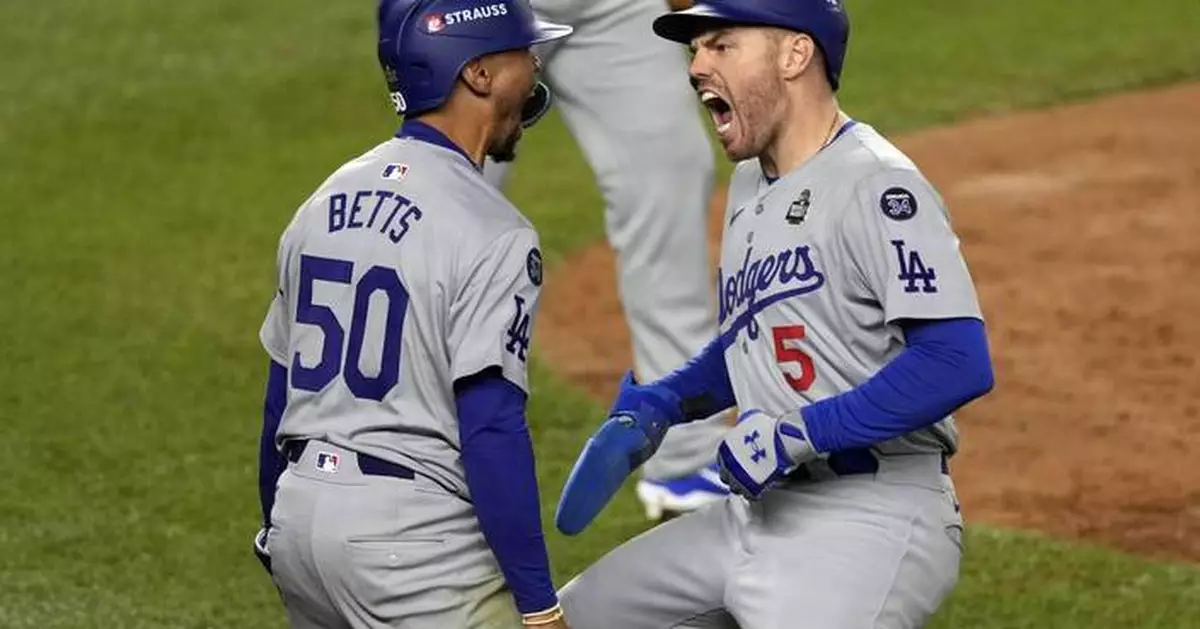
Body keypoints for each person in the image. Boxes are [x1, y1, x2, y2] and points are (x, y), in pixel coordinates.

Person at [552, 1, 996, 627]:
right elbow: (754, 337)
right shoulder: (750, 185)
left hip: (873, 516)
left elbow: (957, 363)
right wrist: (664, 404)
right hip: (755, 512)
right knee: (567, 619)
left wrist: (797, 434)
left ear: (795, 55)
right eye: (695, 49)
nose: (696, 66)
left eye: (721, 45)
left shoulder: (876, 184)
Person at [251, 1, 575, 627]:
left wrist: (280, 525)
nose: (534, 66)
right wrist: (538, 605)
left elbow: (278, 400)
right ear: (478, 74)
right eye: (519, 53)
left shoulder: (321, 202)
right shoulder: (495, 231)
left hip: (300, 520)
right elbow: (491, 427)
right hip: (411, 549)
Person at [480, 0, 734, 520]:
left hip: (615, 7)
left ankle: (686, 456)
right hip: (477, 11)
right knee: (450, 192)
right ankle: (401, 446)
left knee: (668, 176)